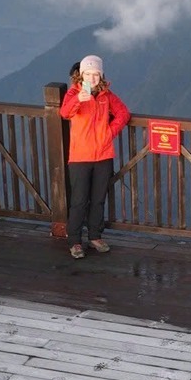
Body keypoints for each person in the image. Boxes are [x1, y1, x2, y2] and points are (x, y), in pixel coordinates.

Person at [60, 54, 129, 259]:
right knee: (79, 201)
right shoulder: (74, 93)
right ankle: (74, 241)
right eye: (88, 74)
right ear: (81, 75)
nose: (92, 78)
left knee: (98, 200)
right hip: (80, 157)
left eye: (96, 74)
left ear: (101, 75)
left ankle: (95, 236)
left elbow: (123, 113)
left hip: (103, 155)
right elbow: (64, 113)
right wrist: (78, 100)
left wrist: (109, 132)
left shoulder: (106, 95)